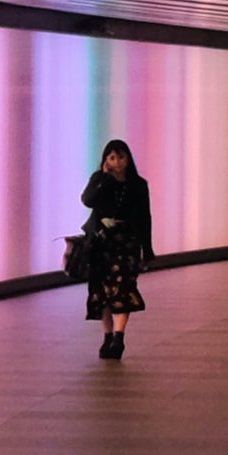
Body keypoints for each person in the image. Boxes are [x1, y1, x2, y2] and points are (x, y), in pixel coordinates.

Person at [81, 138, 153, 359]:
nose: (117, 162)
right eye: (112, 158)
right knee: (102, 291)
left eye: (121, 157)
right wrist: (104, 178)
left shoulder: (138, 185)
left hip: (126, 243)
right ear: (105, 161)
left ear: (128, 158)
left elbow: (144, 218)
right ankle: (107, 335)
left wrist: (147, 249)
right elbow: (88, 200)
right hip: (101, 243)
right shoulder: (99, 180)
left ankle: (119, 337)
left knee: (122, 288)